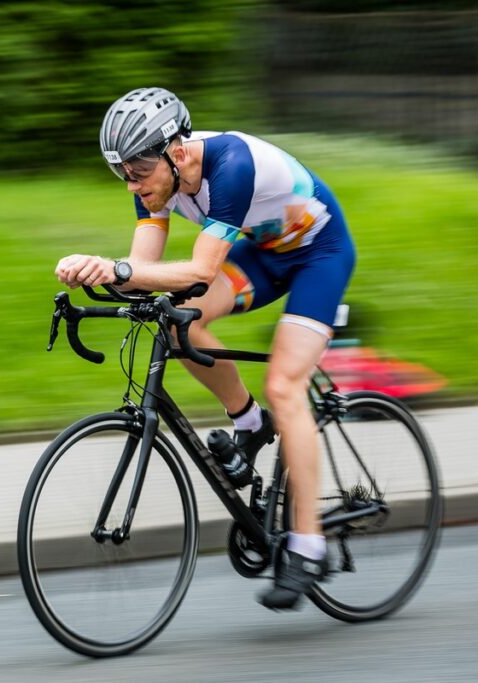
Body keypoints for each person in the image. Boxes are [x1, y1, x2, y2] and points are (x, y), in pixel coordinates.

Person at [55, 87, 356, 609]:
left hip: (318, 255)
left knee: (285, 387)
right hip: (265, 252)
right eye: (122, 173)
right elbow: (142, 274)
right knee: (177, 325)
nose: (132, 183)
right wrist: (90, 274)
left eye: (138, 172)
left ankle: (309, 546)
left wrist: (119, 269)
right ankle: (249, 423)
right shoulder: (153, 178)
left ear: (175, 151)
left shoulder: (232, 164)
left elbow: (198, 271)